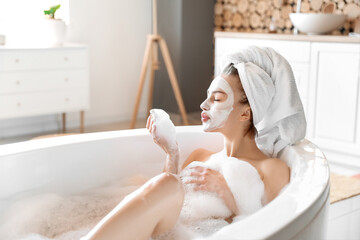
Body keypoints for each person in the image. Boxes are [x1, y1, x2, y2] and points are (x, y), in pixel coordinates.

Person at [82, 46, 306, 240]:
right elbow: (167, 208)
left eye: (216, 99)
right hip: (174, 232)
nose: (203, 105)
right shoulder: (201, 155)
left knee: (169, 185)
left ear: (246, 113)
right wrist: (172, 154)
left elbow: (272, 229)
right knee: (159, 183)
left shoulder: (272, 168)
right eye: (208, 96)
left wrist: (228, 193)